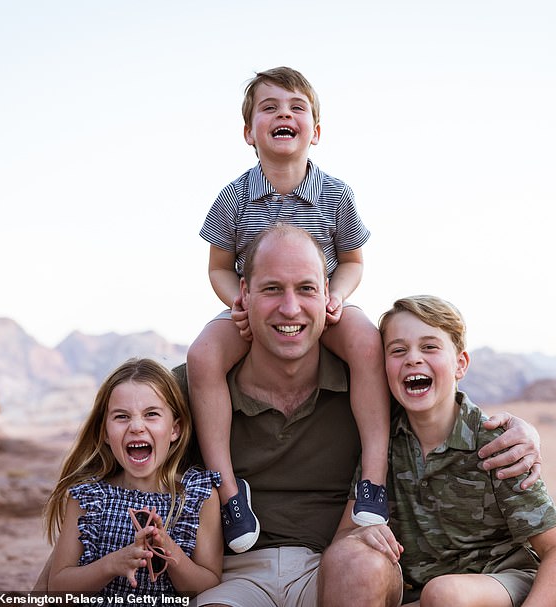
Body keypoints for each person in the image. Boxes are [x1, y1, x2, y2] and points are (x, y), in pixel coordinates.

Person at [182, 224, 542, 606]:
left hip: (336, 566)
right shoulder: (199, 387)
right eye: (272, 289)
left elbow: (442, 411)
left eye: (306, 288)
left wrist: (525, 432)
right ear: (244, 294)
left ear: (328, 296)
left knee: (359, 565)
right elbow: (127, 432)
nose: (290, 308)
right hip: (237, 577)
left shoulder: (368, 384)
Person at [186, 66, 392, 553]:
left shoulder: (335, 194)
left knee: (366, 341)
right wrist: (235, 297)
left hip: (321, 306)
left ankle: (375, 480)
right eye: (270, 108)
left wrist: (336, 294)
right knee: (202, 356)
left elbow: (353, 260)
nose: (284, 114)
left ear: (315, 131)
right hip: (256, 309)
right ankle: (229, 492)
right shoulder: (234, 197)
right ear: (248, 132)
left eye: (297, 107)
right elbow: (217, 266)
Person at [323, 295, 556, 607]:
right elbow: (343, 539)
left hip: (507, 585)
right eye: (398, 350)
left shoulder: (497, 444)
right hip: (426, 596)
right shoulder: (382, 443)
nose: (413, 358)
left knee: (445, 593)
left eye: (429, 347)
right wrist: (361, 536)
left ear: (460, 364)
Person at [42, 358, 223, 600]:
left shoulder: (198, 495)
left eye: (151, 414)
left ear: (174, 429)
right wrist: (112, 564)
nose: (137, 426)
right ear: (105, 432)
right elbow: (58, 590)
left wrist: (167, 549)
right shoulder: (89, 497)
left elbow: (208, 584)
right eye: (121, 417)